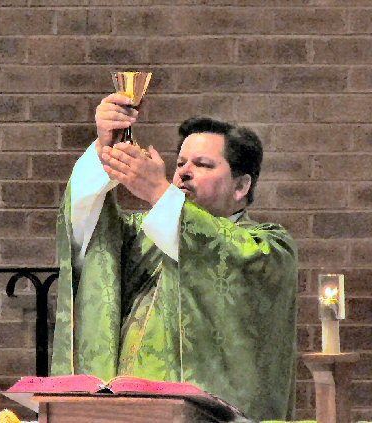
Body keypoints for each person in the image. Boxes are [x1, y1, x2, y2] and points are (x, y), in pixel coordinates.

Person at [51, 93, 298, 422]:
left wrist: (157, 191)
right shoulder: (146, 234)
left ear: (241, 186)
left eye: (202, 164)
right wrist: (104, 150)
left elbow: (223, 253)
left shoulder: (269, 247)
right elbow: (87, 233)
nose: (184, 173)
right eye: (180, 164)